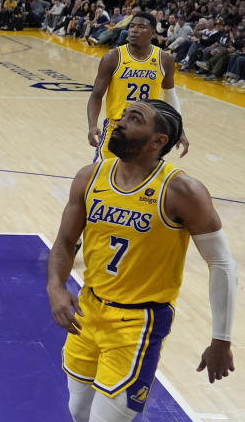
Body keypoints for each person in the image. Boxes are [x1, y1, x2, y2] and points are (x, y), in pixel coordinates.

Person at [47, 99, 236, 422]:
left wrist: (222, 338)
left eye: (133, 119)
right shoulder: (90, 177)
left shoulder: (182, 190)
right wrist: (55, 286)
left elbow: (221, 263)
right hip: (88, 311)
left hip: (139, 323)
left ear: (158, 141)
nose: (118, 122)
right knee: (78, 411)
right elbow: (66, 242)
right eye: (122, 116)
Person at [87, 11, 188, 162]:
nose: (134, 30)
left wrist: (179, 130)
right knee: (101, 176)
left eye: (141, 26)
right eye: (132, 26)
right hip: (117, 126)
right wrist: (92, 125)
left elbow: (169, 96)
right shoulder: (113, 57)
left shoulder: (164, 59)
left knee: (141, 180)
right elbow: (96, 95)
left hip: (148, 130)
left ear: (153, 33)